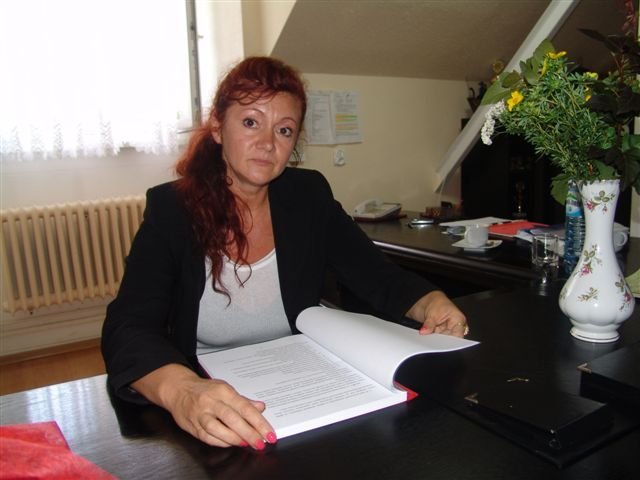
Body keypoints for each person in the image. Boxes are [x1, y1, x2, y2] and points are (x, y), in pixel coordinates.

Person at [101, 56, 468, 452]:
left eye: (284, 130)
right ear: (218, 127)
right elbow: (129, 326)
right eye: (250, 122)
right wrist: (183, 391)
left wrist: (429, 302)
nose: (267, 143)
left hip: (300, 383)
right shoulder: (173, 210)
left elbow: (373, 273)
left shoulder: (307, 195)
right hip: (209, 388)